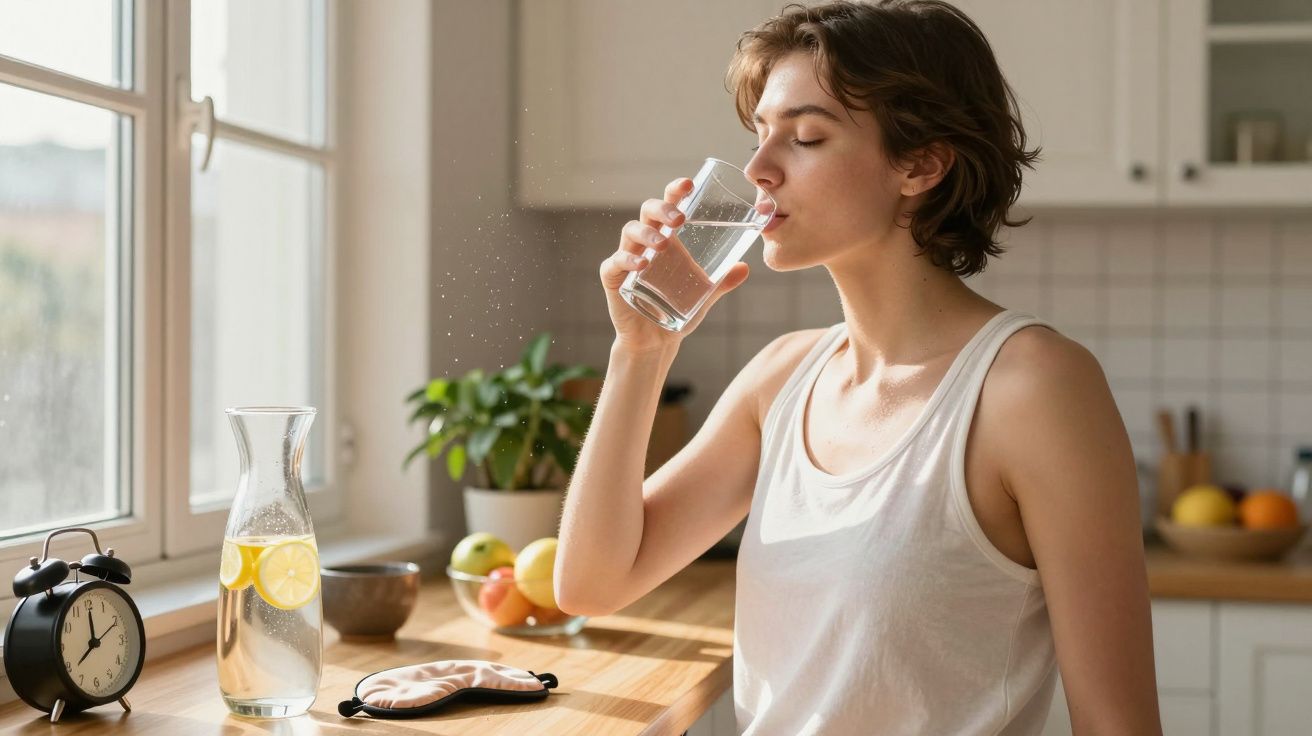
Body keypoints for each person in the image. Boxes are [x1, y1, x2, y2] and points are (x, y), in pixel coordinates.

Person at [554, 1, 1161, 733]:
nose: (757, 171)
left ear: (921, 164)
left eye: (806, 136)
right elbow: (591, 582)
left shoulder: (1032, 388)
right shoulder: (781, 377)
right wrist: (641, 351)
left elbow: (1118, 725)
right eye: (759, 134)